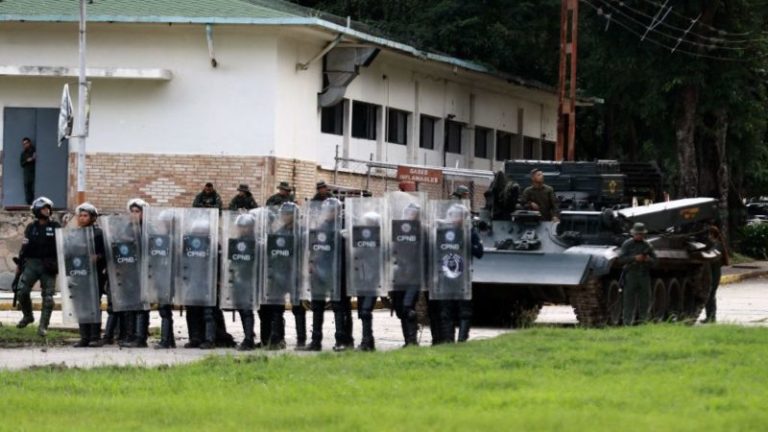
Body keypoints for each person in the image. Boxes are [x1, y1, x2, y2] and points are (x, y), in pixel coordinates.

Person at [298, 198, 344, 352]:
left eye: (332, 210)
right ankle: (315, 341)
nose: (329, 213)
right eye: (327, 210)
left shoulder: (341, 227)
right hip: (318, 271)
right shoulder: (321, 227)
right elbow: (313, 247)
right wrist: (310, 263)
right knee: (317, 307)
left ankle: (340, 341)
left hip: (334, 271)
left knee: (338, 307)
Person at [436, 203, 484, 343]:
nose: (455, 219)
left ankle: (462, 340)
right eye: (453, 216)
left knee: (464, 311)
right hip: (446, 276)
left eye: (459, 216)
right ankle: (448, 340)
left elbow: (479, 252)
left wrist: (466, 241)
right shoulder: (443, 232)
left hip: (463, 276)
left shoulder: (470, 232)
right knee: (446, 311)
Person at [15, 197, 60, 336]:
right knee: (21, 291)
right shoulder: (31, 227)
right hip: (32, 263)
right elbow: (25, 247)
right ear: (36, 210)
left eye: (48, 208)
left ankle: (43, 326)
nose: (47, 211)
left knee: (48, 297)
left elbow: (62, 246)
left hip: (49, 264)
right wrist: (20, 264)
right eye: (43, 208)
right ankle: (28, 316)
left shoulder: (55, 226)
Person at [389, 201, 425, 347]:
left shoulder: (421, 231)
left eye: (413, 214)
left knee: (407, 307)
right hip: (398, 275)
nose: (409, 216)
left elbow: (423, 253)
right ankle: (407, 340)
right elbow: (391, 250)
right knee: (399, 310)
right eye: (408, 213)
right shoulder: (398, 230)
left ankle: (412, 341)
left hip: (413, 276)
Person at [72, 202, 107, 348]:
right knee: (81, 305)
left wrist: (97, 257)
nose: (82, 218)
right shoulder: (75, 233)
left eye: (85, 215)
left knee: (93, 304)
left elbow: (106, 253)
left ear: (92, 217)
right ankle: (84, 337)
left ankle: (95, 336)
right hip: (80, 273)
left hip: (95, 274)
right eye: (80, 215)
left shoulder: (98, 233)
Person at [117, 198, 151, 348]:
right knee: (130, 305)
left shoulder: (149, 229)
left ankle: (140, 337)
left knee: (141, 306)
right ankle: (129, 335)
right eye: (132, 212)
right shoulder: (127, 229)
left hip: (144, 272)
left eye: (138, 211)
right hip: (129, 271)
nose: (135, 215)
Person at [617, 222, 658, 325]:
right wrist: (634, 258)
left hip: (644, 275)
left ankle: (643, 321)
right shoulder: (627, 244)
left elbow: (656, 261)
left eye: (641, 234)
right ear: (633, 234)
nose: (639, 236)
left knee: (645, 300)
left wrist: (648, 259)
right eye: (637, 234)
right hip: (631, 274)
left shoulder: (647, 245)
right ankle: (627, 322)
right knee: (628, 300)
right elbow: (621, 259)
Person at [704, 224, 730, 323]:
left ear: (712, 234)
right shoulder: (712, 244)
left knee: (711, 294)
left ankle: (711, 317)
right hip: (711, 272)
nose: (708, 236)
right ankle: (709, 316)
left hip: (715, 273)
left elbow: (713, 256)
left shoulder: (717, 245)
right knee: (709, 294)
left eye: (709, 234)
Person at [20, 137, 36, 205]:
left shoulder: (34, 151)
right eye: (24, 144)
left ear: (29, 143)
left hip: (34, 173)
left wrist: (33, 159)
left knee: (34, 189)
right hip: (27, 173)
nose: (25, 145)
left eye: (26, 143)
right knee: (27, 189)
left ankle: (35, 203)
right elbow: (21, 164)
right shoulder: (23, 154)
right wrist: (27, 160)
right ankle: (29, 204)